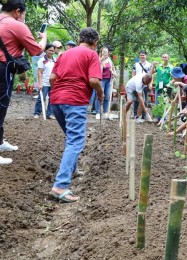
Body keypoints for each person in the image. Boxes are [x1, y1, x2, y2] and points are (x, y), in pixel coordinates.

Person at [48, 27, 103, 203]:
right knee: (75, 141)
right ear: (95, 43)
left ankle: (72, 169)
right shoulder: (92, 55)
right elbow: (94, 80)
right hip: (75, 101)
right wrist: (100, 94)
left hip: (56, 101)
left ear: (79, 40)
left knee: (70, 137)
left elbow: (52, 78)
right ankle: (60, 186)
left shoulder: (64, 54)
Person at [0, 0, 46, 165]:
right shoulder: (16, 25)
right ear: (18, 12)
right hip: (3, 69)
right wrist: (44, 38)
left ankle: (0, 142)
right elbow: (37, 50)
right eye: (24, 14)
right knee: (0, 105)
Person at [33, 43, 55, 119]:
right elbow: (39, 73)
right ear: (45, 50)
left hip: (52, 83)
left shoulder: (55, 60)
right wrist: (40, 83)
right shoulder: (42, 60)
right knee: (41, 98)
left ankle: (50, 114)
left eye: (53, 51)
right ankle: (37, 113)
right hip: (44, 83)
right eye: (50, 50)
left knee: (52, 99)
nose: (51, 52)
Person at [95, 46, 116, 120]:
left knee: (107, 96)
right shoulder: (98, 59)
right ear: (101, 52)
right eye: (103, 51)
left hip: (109, 80)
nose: (105, 53)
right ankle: (98, 112)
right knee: (100, 95)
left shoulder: (109, 60)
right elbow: (95, 67)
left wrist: (113, 73)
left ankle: (105, 112)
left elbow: (113, 68)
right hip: (101, 80)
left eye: (106, 51)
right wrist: (101, 60)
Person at [133, 50, 152, 119]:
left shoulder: (149, 64)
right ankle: (135, 114)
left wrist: (150, 84)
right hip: (137, 83)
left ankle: (144, 114)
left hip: (145, 84)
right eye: (141, 55)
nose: (142, 56)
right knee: (136, 99)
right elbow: (133, 74)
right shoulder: (136, 64)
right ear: (139, 56)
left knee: (145, 99)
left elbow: (151, 75)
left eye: (143, 55)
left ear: (146, 56)